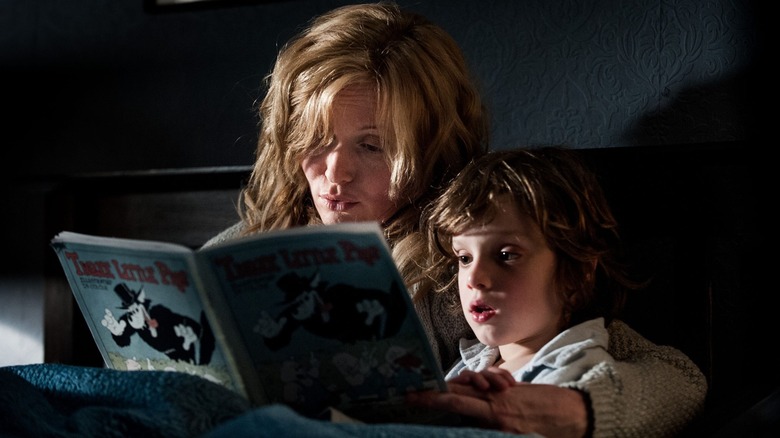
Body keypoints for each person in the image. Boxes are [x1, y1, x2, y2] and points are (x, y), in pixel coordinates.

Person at [203, 2, 707, 436]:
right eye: (316, 140)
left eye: (372, 145)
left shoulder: (459, 264)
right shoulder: (257, 240)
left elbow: (676, 375)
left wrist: (581, 410)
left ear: (432, 151)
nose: (335, 174)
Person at [409, 147, 636, 427]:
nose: (474, 277)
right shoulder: (471, 362)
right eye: (464, 258)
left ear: (576, 276)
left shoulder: (579, 376)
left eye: (506, 255)